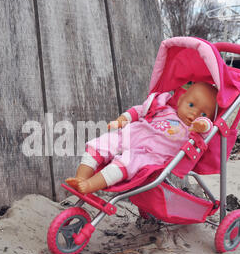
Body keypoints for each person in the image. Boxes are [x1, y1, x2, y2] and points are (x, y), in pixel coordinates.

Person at [66, 82, 218, 194]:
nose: (194, 114)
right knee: (100, 144)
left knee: (125, 164)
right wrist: (121, 120)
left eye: (203, 113)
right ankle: (80, 178)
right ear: (180, 100)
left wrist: (202, 124)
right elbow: (139, 111)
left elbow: (207, 128)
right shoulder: (163, 107)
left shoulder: (192, 131)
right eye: (191, 105)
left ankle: (88, 185)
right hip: (130, 135)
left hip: (149, 154)